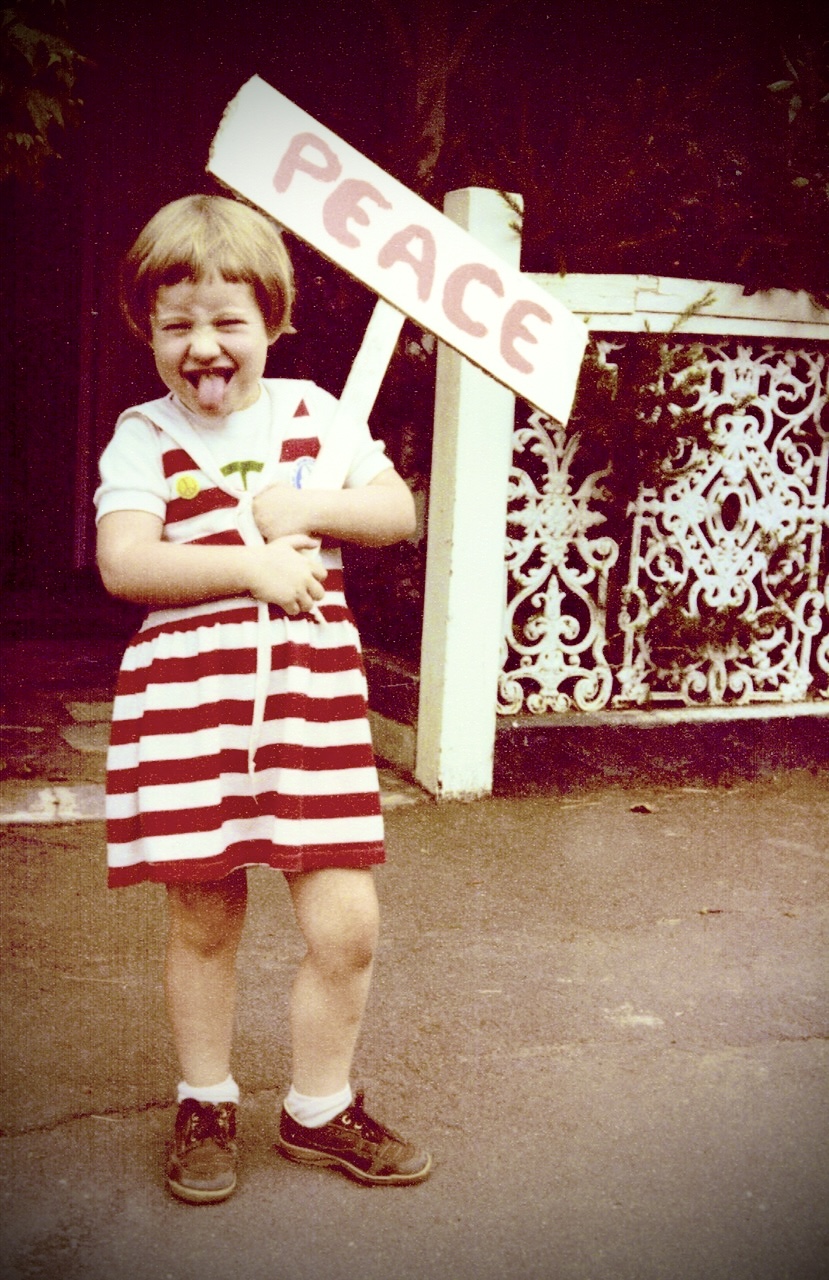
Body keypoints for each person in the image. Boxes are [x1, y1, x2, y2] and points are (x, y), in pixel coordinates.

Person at [94, 193, 431, 1203]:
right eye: (176, 322)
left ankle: (318, 1110)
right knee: (203, 919)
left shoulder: (317, 417)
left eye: (227, 319)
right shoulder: (140, 434)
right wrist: (249, 563)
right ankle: (205, 1096)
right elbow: (124, 561)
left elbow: (396, 510)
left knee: (347, 925)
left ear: (273, 321)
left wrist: (311, 507)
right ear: (147, 329)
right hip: (189, 707)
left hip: (309, 711)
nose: (203, 343)